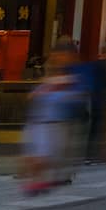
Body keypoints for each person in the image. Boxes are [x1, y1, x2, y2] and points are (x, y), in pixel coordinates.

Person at [21, 42, 82, 194]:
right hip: (44, 120)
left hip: (55, 119)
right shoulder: (56, 76)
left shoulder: (70, 76)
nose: (59, 58)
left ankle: (42, 179)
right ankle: (37, 180)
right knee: (42, 151)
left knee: (49, 152)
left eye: (61, 55)